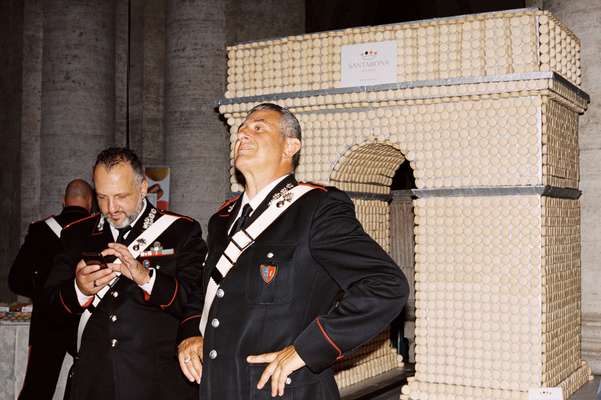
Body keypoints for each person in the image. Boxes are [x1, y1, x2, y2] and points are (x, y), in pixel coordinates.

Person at [177, 103, 409, 399]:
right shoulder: (223, 219)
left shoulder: (316, 208)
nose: (243, 134)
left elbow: (386, 285)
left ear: (290, 147)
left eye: (258, 127)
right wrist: (190, 334)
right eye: (242, 129)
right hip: (217, 387)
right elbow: (205, 289)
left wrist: (307, 350)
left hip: (282, 391)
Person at [45, 148, 207, 400]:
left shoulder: (181, 231)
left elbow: (195, 302)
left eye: (120, 196)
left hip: (158, 384)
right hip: (93, 382)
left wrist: (147, 278)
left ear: (143, 187)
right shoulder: (76, 234)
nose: (111, 208)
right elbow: (49, 306)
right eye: (102, 197)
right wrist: (79, 289)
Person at [9, 179, 93, 400]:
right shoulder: (98, 230)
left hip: (47, 320)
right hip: (86, 320)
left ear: (63, 201)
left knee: (37, 389)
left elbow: (16, 281)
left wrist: (44, 293)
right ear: (91, 202)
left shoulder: (39, 231)